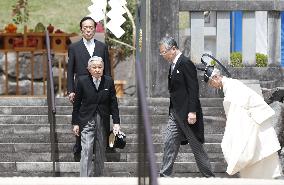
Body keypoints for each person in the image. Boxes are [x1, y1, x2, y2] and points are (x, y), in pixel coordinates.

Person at [198, 55, 282, 179]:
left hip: (255, 125)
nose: (212, 86)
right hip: (256, 123)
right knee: (263, 167)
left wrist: (232, 135)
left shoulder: (232, 88)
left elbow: (237, 115)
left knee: (256, 162)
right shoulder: (231, 86)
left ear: (216, 77)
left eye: (211, 82)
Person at [158, 36, 215, 177]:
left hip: (186, 113)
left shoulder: (185, 63)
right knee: (169, 142)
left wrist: (192, 111)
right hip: (174, 112)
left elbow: (193, 89)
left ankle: (209, 177)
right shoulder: (172, 64)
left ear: (173, 49)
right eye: (161, 52)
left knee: (196, 146)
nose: (162, 55)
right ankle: (164, 175)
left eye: (164, 52)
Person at [67, 16, 111, 161]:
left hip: (99, 87)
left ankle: (103, 147)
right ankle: (79, 146)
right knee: (80, 116)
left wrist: (109, 88)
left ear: (95, 29)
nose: (88, 30)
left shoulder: (102, 47)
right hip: (81, 88)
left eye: (91, 27)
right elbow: (70, 70)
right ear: (81, 29)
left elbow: (108, 71)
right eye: (85, 27)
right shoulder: (74, 47)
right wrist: (71, 90)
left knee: (101, 115)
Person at [71, 56, 120, 177]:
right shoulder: (82, 81)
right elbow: (76, 104)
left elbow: (113, 103)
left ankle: (98, 179)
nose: (97, 70)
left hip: (102, 120)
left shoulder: (108, 81)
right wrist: (75, 123)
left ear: (103, 68)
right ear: (89, 69)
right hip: (87, 119)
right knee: (86, 149)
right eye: (94, 67)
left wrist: (116, 122)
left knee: (100, 151)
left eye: (100, 67)